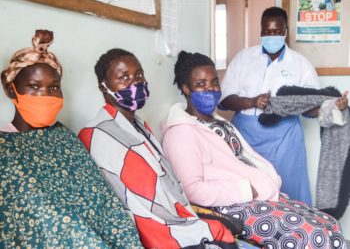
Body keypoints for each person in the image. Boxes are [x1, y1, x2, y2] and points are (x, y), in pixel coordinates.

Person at [162, 50, 347, 249]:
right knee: (314, 235)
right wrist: (246, 190)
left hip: (257, 198)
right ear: (186, 89)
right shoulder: (181, 133)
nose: (211, 88)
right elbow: (192, 189)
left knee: (328, 223)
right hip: (232, 207)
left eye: (214, 82)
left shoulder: (218, 122)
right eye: (201, 84)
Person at [78, 48, 241, 249]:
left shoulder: (140, 126)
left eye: (138, 75)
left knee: (223, 230)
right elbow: (132, 200)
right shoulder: (95, 134)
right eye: (124, 77)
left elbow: (166, 184)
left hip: (177, 214)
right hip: (151, 227)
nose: (134, 82)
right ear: (103, 87)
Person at [0, 30, 141, 248]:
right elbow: (30, 215)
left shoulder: (63, 135)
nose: (45, 95)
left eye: (53, 87)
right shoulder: (4, 148)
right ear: (11, 89)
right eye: (35, 87)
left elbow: (101, 198)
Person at [218, 7, 346, 205]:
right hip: (245, 137)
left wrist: (332, 106)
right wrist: (252, 101)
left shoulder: (301, 64)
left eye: (277, 31)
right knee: (249, 193)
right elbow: (224, 100)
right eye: (267, 32)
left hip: (285, 141)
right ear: (260, 31)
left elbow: (310, 109)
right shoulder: (243, 59)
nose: (272, 36)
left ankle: (295, 235)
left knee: (289, 193)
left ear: (286, 31)